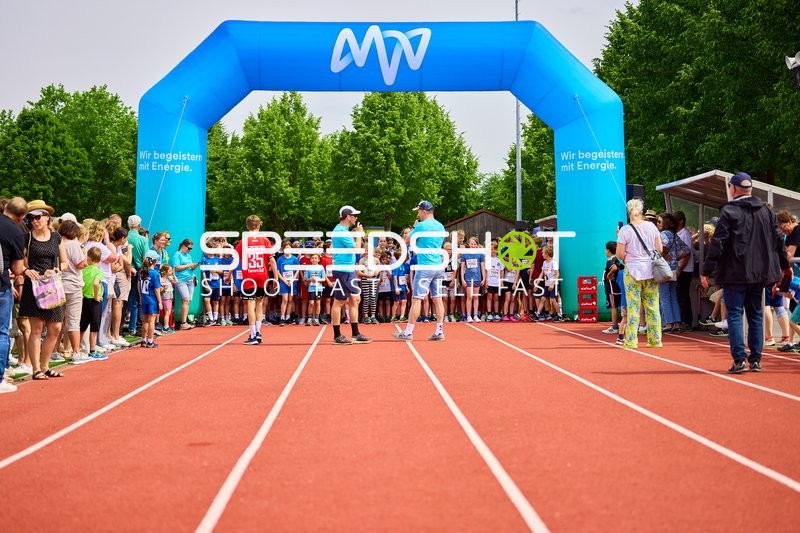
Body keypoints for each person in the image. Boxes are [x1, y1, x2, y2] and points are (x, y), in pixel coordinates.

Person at [701, 172, 790, 373]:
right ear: (750, 189)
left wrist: (706, 270)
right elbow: (778, 241)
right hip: (759, 274)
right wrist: (785, 266)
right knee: (756, 314)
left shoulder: (729, 211)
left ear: (733, 189)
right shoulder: (766, 212)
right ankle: (756, 359)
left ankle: (739, 359)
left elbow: (719, 243)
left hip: (734, 273)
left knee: (734, 315)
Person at [18, 199, 68, 380]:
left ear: (47, 218)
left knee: (55, 327)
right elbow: (19, 261)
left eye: (37, 217)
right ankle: (36, 369)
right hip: (34, 286)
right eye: (30, 218)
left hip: (52, 286)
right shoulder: (27, 238)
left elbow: (64, 262)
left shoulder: (56, 238)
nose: (34, 221)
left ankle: (45, 366)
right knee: (36, 328)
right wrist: (26, 270)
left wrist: (56, 270)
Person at [392, 201, 447, 341]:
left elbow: (406, 240)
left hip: (425, 266)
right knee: (438, 299)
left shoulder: (421, 225)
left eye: (418, 211)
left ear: (424, 211)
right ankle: (439, 330)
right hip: (438, 266)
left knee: (416, 299)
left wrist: (414, 227)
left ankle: (408, 332)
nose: (417, 213)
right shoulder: (440, 226)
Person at [616, 198, 663, 349]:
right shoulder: (651, 226)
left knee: (633, 307)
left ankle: (631, 340)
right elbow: (659, 249)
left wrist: (629, 259)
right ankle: (655, 340)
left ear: (629, 211)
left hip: (633, 271)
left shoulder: (625, 230)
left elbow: (619, 253)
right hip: (651, 270)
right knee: (652, 306)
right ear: (642, 211)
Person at [329, 205, 371, 344]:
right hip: (342, 270)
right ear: (348, 216)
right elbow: (357, 250)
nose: (356, 218)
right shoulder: (341, 231)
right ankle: (337, 335)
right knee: (339, 301)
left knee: (355, 299)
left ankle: (355, 333)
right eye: (354, 215)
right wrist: (359, 234)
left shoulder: (344, 230)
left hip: (349, 270)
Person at [0, 197, 26, 393]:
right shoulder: (15, 231)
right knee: (2, 332)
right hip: (2, 285)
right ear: (22, 217)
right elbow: (17, 268)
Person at [79, 246, 108, 360]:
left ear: (88, 258)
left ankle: (77, 349)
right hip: (94, 301)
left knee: (82, 325)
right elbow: (96, 283)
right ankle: (92, 350)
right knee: (94, 327)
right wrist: (96, 296)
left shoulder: (84, 270)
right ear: (100, 259)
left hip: (84, 299)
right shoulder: (99, 272)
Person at [171, 238, 198, 330]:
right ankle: (183, 322)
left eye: (191, 249)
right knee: (186, 299)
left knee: (188, 300)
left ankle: (184, 321)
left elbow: (189, 268)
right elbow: (176, 267)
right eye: (189, 248)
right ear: (183, 246)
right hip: (181, 280)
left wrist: (193, 267)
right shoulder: (177, 255)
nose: (189, 250)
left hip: (189, 279)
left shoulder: (188, 256)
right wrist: (189, 265)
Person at [139, 250, 163, 348]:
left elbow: (138, 285)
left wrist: (141, 296)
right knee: (151, 320)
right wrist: (160, 301)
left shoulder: (142, 272)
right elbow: (157, 289)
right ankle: (150, 341)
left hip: (144, 297)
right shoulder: (155, 273)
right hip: (152, 299)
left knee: (145, 320)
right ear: (155, 261)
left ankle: (143, 340)